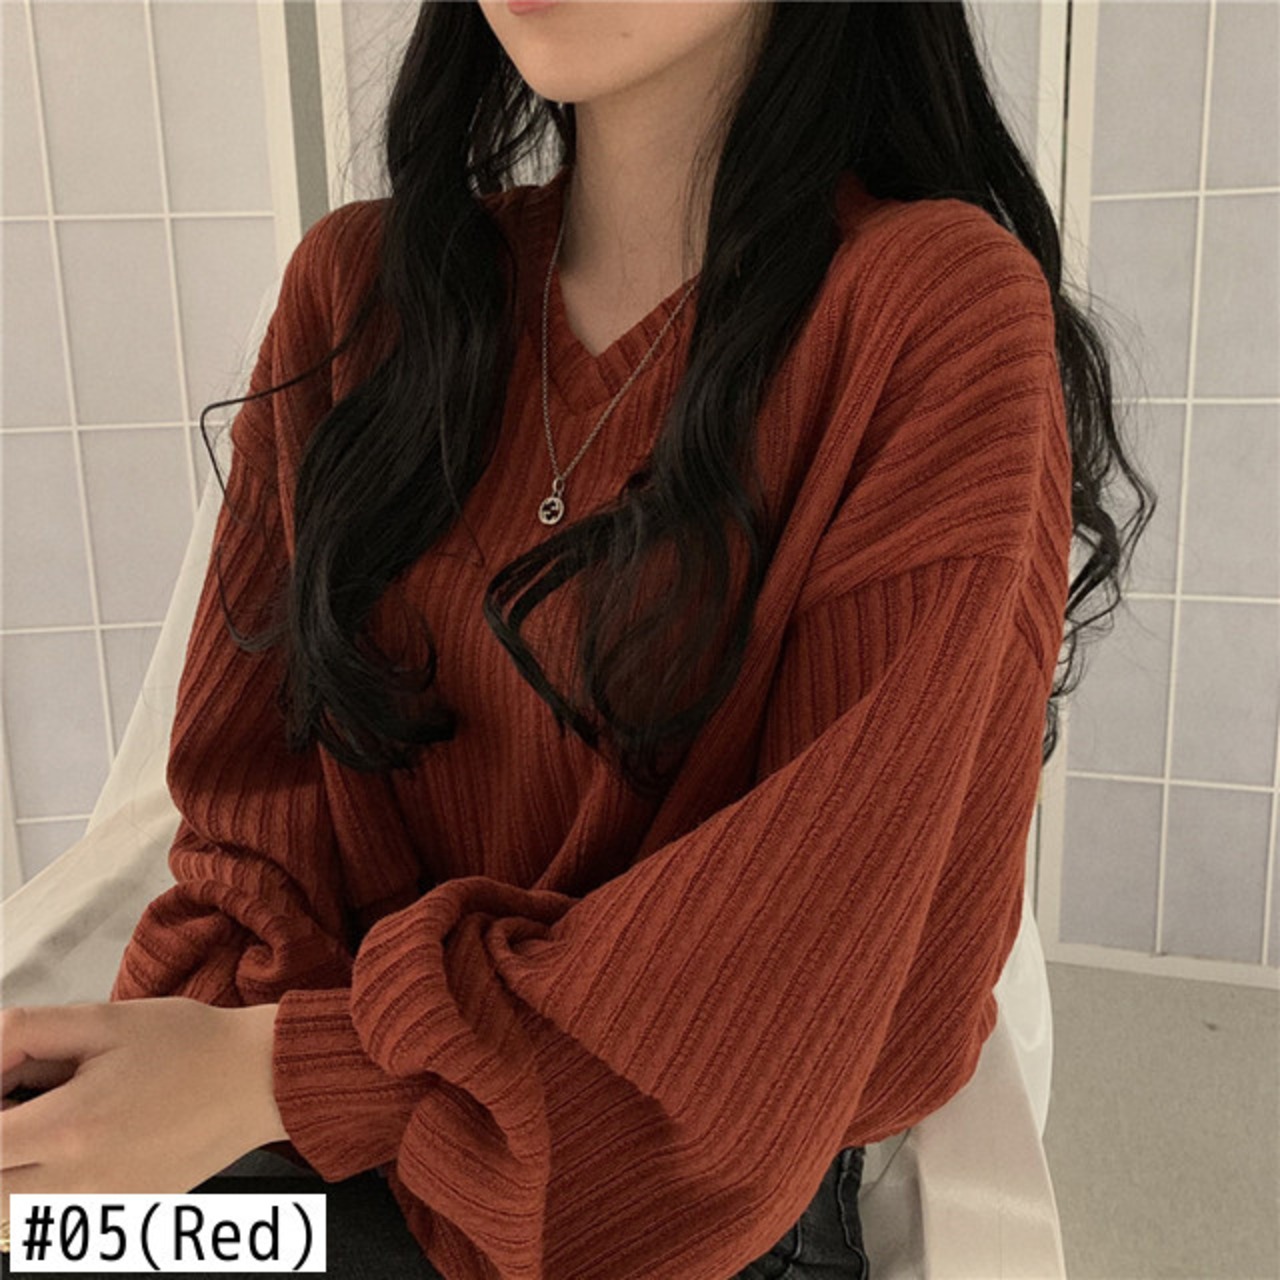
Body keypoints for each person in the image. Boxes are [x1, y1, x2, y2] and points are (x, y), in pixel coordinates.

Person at [0, 2, 1155, 1277]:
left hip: (683, 1204)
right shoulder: (358, 294)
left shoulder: (925, 314)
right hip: (329, 1145)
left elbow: (791, 974)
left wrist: (277, 1074)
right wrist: (138, 1118)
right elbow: (250, 826)